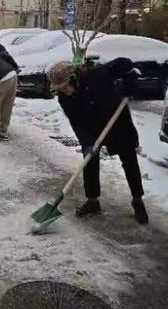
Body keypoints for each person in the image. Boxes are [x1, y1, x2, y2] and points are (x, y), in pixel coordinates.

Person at [48, 58, 149, 224]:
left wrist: (130, 76)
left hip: (117, 122)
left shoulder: (97, 75)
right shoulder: (65, 99)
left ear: (74, 78)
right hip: (92, 127)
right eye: (60, 89)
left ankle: (137, 201)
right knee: (89, 160)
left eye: (65, 87)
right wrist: (87, 143)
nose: (64, 91)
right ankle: (92, 201)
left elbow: (124, 64)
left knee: (129, 159)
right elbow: (77, 123)